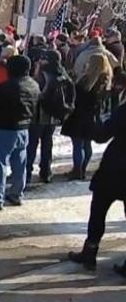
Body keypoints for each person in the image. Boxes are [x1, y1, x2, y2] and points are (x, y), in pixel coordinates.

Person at [0, 56, 40, 211]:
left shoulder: (7, 86)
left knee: (0, 162)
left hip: (6, 128)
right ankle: (17, 193)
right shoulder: (33, 84)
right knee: (20, 163)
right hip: (24, 128)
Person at [68, 102, 126, 273]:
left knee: (98, 211)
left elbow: (102, 135)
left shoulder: (123, 111)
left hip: (115, 169)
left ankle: (90, 251)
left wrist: (93, 124)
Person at [62, 54, 113, 180]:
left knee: (78, 145)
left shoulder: (87, 81)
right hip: (94, 117)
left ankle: (77, 170)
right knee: (87, 144)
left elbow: (77, 97)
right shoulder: (106, 80)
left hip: (80, 115)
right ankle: (83, 168)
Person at [26, 50, 71, 184]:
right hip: (54, 116)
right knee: (47, 144)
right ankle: (46, 172)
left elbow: (34, 91)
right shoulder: (63, 74)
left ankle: (27, 172)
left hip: (39, 115)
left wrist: (37, 69)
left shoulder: (43, 75)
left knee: (32, 145)